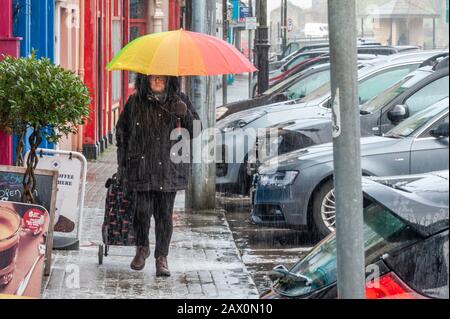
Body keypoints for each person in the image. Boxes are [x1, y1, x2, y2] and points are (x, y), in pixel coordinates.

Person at [116, 74, 198, 277]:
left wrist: (185, 114)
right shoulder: (135, 102)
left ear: (170, 80)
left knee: (164, 216)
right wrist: (122, 165)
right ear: (145, 79)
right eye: (154, 77)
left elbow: (196, 130)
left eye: (162, 78)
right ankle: (142, 248)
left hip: (168, 169)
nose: (158, 81)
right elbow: (121, 133)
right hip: (140, 168)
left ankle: (162, 257)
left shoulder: (180, 100)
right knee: (141, 212)